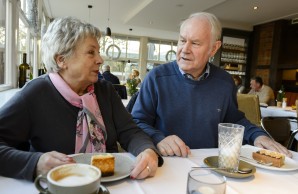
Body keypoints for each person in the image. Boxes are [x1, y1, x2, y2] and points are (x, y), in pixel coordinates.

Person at [0, 17, 162, 181]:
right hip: (59, 187)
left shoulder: (105, 90)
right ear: (61, 60)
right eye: (91, 52)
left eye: (98, 52)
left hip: (114, 184)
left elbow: (130, 131)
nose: (100, 59)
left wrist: (147, 150)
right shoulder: (35, 93)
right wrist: (35, 163)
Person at [131, 12, 291, 158]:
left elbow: (234, 121)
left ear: (213, 49)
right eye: (182, 40)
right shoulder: (157, 77)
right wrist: (159, 138)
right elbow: (136, 122)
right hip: (167, 163)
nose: (184, 49)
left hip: (209, 165)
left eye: (195, 43)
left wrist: (258, 135)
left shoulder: (225, 82)